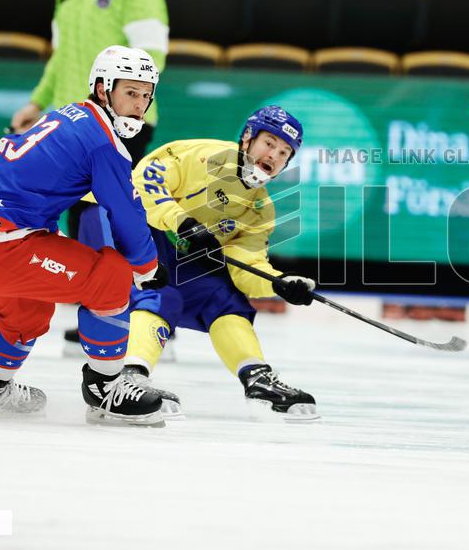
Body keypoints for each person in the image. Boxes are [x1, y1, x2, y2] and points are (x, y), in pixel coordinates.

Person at [0, 45, 169, 427]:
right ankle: (106, 389)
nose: (139, 104)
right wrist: (148, 266)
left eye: (146, 95)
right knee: (111, 275)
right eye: (130, 92)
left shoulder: (68, 115)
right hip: (2, 245)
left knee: (28, 304)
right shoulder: (103, 141)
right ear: (103, 88)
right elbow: (127, 215)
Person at [72, 106, 320, 419]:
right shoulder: (203, 156)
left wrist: (277, 283)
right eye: (269, 143)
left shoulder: (260, 210)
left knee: (224, 299)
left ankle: (257, 377)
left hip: (176, 247)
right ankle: (129, 374)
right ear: (247, 137)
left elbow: (245, 265)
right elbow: (141, 182)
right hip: (120, 221)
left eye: (284, 152)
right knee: (160, 293)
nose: (274, 155)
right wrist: (181, 220)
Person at [10, 0, 169, 237]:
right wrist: (37, 103)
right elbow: (60, 55)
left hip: (122, 122)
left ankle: (132, 289)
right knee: (79, 213)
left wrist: (120, 111)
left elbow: (153, 59)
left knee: (113, 216)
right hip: (75, 120)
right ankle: (92, 289)